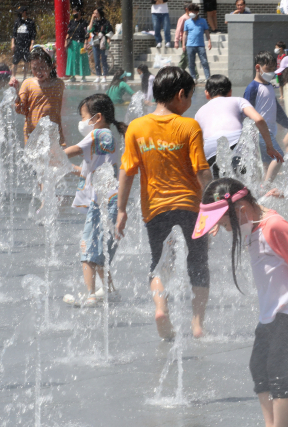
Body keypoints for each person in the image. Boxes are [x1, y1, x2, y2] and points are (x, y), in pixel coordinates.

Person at [195, 178, 288, 426]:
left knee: (278, 373)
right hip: (271, 311)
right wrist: (221, 221)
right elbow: (250, 205)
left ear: (240, 211)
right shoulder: (249, 219)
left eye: (223, 221)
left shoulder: (273, 226)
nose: (224, 227)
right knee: (258, 368)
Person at [116, 66, 213, 339]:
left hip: (155, 209)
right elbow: (202, 171)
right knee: (199, 263)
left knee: (160, 263)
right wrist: (216, 203)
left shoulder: (136, 127)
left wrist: (121, 210)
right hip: (191, 207)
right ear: (180, 94)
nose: (190, 102)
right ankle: (197, 324)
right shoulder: (189, 125)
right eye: (191, 96)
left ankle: (161, 308)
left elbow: (126, 171)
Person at [62, 94, 127, 307]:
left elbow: (73, 151)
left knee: (88, 248)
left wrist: (51, 154)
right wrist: (70, 169)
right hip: (110, 201)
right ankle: (110, 291)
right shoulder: (108, 137)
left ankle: (89, 295)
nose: (81, 123)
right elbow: (92, 170)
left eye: (83, 117)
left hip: (101, 202)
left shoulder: (98, 133)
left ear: (97, 117)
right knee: (100, 251)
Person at [195, 74, 281, 178]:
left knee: (220, 189)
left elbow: (200, 142)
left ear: (206, 94)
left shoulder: (199, 112)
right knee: (244, 184)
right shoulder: (238, 100)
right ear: (230, 92)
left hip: (210, 149)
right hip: (236, 143)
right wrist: (270, 147)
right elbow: (258, 119)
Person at [243, 51, 288, 182]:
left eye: (273, 69)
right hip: (260, 131)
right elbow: (245, 110)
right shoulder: (252, 88)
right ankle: (267, 185)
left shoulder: (269, 86)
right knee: (279, 156)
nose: (271, 72)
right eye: (268, 69)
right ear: (257, 67)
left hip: (270, 131)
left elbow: (276, 109)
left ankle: (263, 190)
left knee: (266, 163)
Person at [11, 47, 65, 145]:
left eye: (42, 67)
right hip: (32, 134)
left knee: (55, 159)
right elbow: (21, 109)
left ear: (52, 65)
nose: (38, 72)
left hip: (54, 133)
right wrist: (16, 94)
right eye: (34, 68)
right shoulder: (27, 84)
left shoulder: (59, 84)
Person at [183, 3, 212, 82]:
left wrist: (209, 41)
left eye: (193, 11)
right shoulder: (187, 22)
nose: (192, 13)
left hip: (200, 45)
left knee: (204, 62)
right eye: (190, 11)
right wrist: (183, 45)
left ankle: (207, 78)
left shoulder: (203, 21)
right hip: (190, 45)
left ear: (197, 12)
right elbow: (185, 34)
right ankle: (193, 77)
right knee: (191, 63)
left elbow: (206, 32)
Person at [87, 7, 114, 83]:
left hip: (104, 43)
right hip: (95, 42)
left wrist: (108, 40)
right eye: (93, 13)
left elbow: (110, 31)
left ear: (99, 13)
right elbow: (89, 29)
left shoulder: (106, 22)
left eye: (95, 13)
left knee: (104, 60)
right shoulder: (94, 22)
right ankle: (98, 76)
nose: (94, 14)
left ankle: (104, 76)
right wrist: (92, 19)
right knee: (96, 60)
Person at [10, 6, 36, 83]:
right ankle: (13, 76)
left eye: (20, 12)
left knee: (27, 61)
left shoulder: (30, 22)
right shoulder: (17, 21)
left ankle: (25, 77)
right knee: (15, 62)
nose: (19, 13)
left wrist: (32, 44)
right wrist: (12, 44)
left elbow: (33, 35)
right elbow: (13, 34)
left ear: (24, 12)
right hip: (18, 45)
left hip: (26, 45)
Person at [66, 7, 91, 83]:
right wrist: (65, 41)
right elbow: (68, 32)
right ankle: (72, 76)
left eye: (75, 12)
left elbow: (86, 34)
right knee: (72, 60)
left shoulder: (84, 22)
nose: (74, 14)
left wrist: (86, 43)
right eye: (73, 12)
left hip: (81, 43)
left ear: (79, 12)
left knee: (82, 59)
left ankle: (83, 76)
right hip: (72, 43)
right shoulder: (71, 22)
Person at [175, 3, 192, 73]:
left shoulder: (192, 17)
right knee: (187, 56)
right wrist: (176, 41)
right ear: (186, 9)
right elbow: (178, 29)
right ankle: (195, 75)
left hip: (191, 39)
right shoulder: (183, 18)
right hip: (185, 39)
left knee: (186, 57)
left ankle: (179, 72)